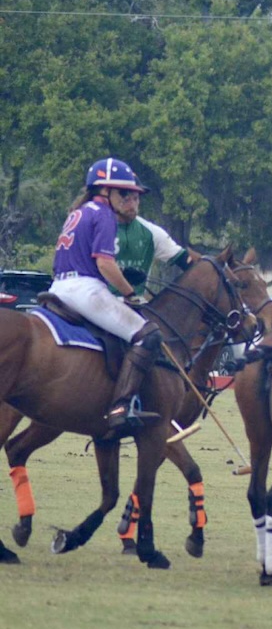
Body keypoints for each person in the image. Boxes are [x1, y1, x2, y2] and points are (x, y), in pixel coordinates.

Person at [51, 158, 164, 438]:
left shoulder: (79, 211)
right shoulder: (103, 214)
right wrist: (130, 293)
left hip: (58, 287)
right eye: (123, 193)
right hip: (85, 289)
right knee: (147, 335)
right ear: (105, 191)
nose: (130, 199)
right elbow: (104, 264)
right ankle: (120, 406)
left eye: (132, 194)